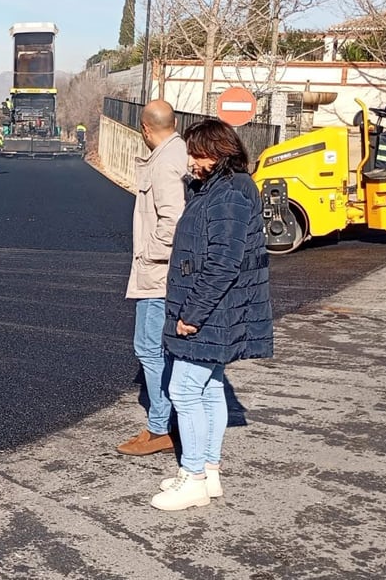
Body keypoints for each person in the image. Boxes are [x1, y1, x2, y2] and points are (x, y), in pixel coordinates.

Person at [152, 118, 272, 511]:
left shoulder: (231, 195)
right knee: (209, 388)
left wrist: (193, 314)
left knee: (184, 390)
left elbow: (223, 261)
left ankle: (194, 478)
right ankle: (208, 471)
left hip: (213, 311)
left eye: (196, 153)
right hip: (218, 310)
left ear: (217, 152)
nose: (191, 161)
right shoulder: (221, 188)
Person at [117, 100, 188, 456]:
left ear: (145, 129)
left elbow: (172, 221)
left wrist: (149, 254)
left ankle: (161, 427)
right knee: (158, 348)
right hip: (163, 272)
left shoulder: (164, 164)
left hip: (159, 274)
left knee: (149, 347)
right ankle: (165, 422)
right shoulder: (177, 153)